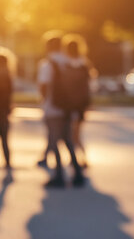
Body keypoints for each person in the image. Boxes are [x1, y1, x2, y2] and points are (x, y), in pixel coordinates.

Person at [37, 32, 85, 188]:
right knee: (68, 140)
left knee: (54, 140)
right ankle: (77, 172)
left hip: (53, 107)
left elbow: (44, 86)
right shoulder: (69, 62)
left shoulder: (48, 63)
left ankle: (59, 174)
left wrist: (44, 102)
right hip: (69, 107)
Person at [63, 35, 95, 168]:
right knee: (77, 133)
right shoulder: (84, 64)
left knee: (72, 133)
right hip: (81, 104)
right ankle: (80, 157)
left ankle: (78, 157)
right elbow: (89, 86)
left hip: (69, 104)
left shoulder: (65, 65)